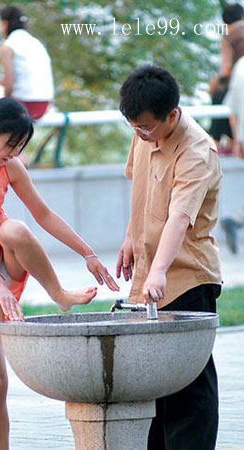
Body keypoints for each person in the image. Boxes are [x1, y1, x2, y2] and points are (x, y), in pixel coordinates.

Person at [0, 97, 119, 449]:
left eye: (19, 147)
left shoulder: (9, 165)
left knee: (14, 229)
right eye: (9, 144)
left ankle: (58, 295)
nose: (13, 154)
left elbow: (43, 214)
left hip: (3, 258)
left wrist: (88, 253)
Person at [117, 65, 222, 450]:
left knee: (190, 384)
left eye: (146, 128)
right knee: (155, 381)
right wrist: (130, 237)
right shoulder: (142, 130)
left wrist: (157, 272)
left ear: (172, 115)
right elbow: (141, 191)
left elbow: (179, 218)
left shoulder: (197, 150)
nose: (141, 135)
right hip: (150, 275)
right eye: (134, 127)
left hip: (187, 276)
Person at [0, 5, 54, 121]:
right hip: (44, 105)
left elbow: (9, 82)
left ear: (4, 23)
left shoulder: (8, 46)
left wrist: (4, 105)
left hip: (24, 105)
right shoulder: (35, 42)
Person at [208, 2, 244, 154]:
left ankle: (217, 144)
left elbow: (226, 70)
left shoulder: (228, 38)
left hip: (238, 82)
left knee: (218, 97)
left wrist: (214, 86)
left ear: (225, 22)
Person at [221, 53, 244, 254]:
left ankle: (236, 219)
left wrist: (238, 140)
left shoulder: (240, 66)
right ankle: (236, 218)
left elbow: (232, 111)